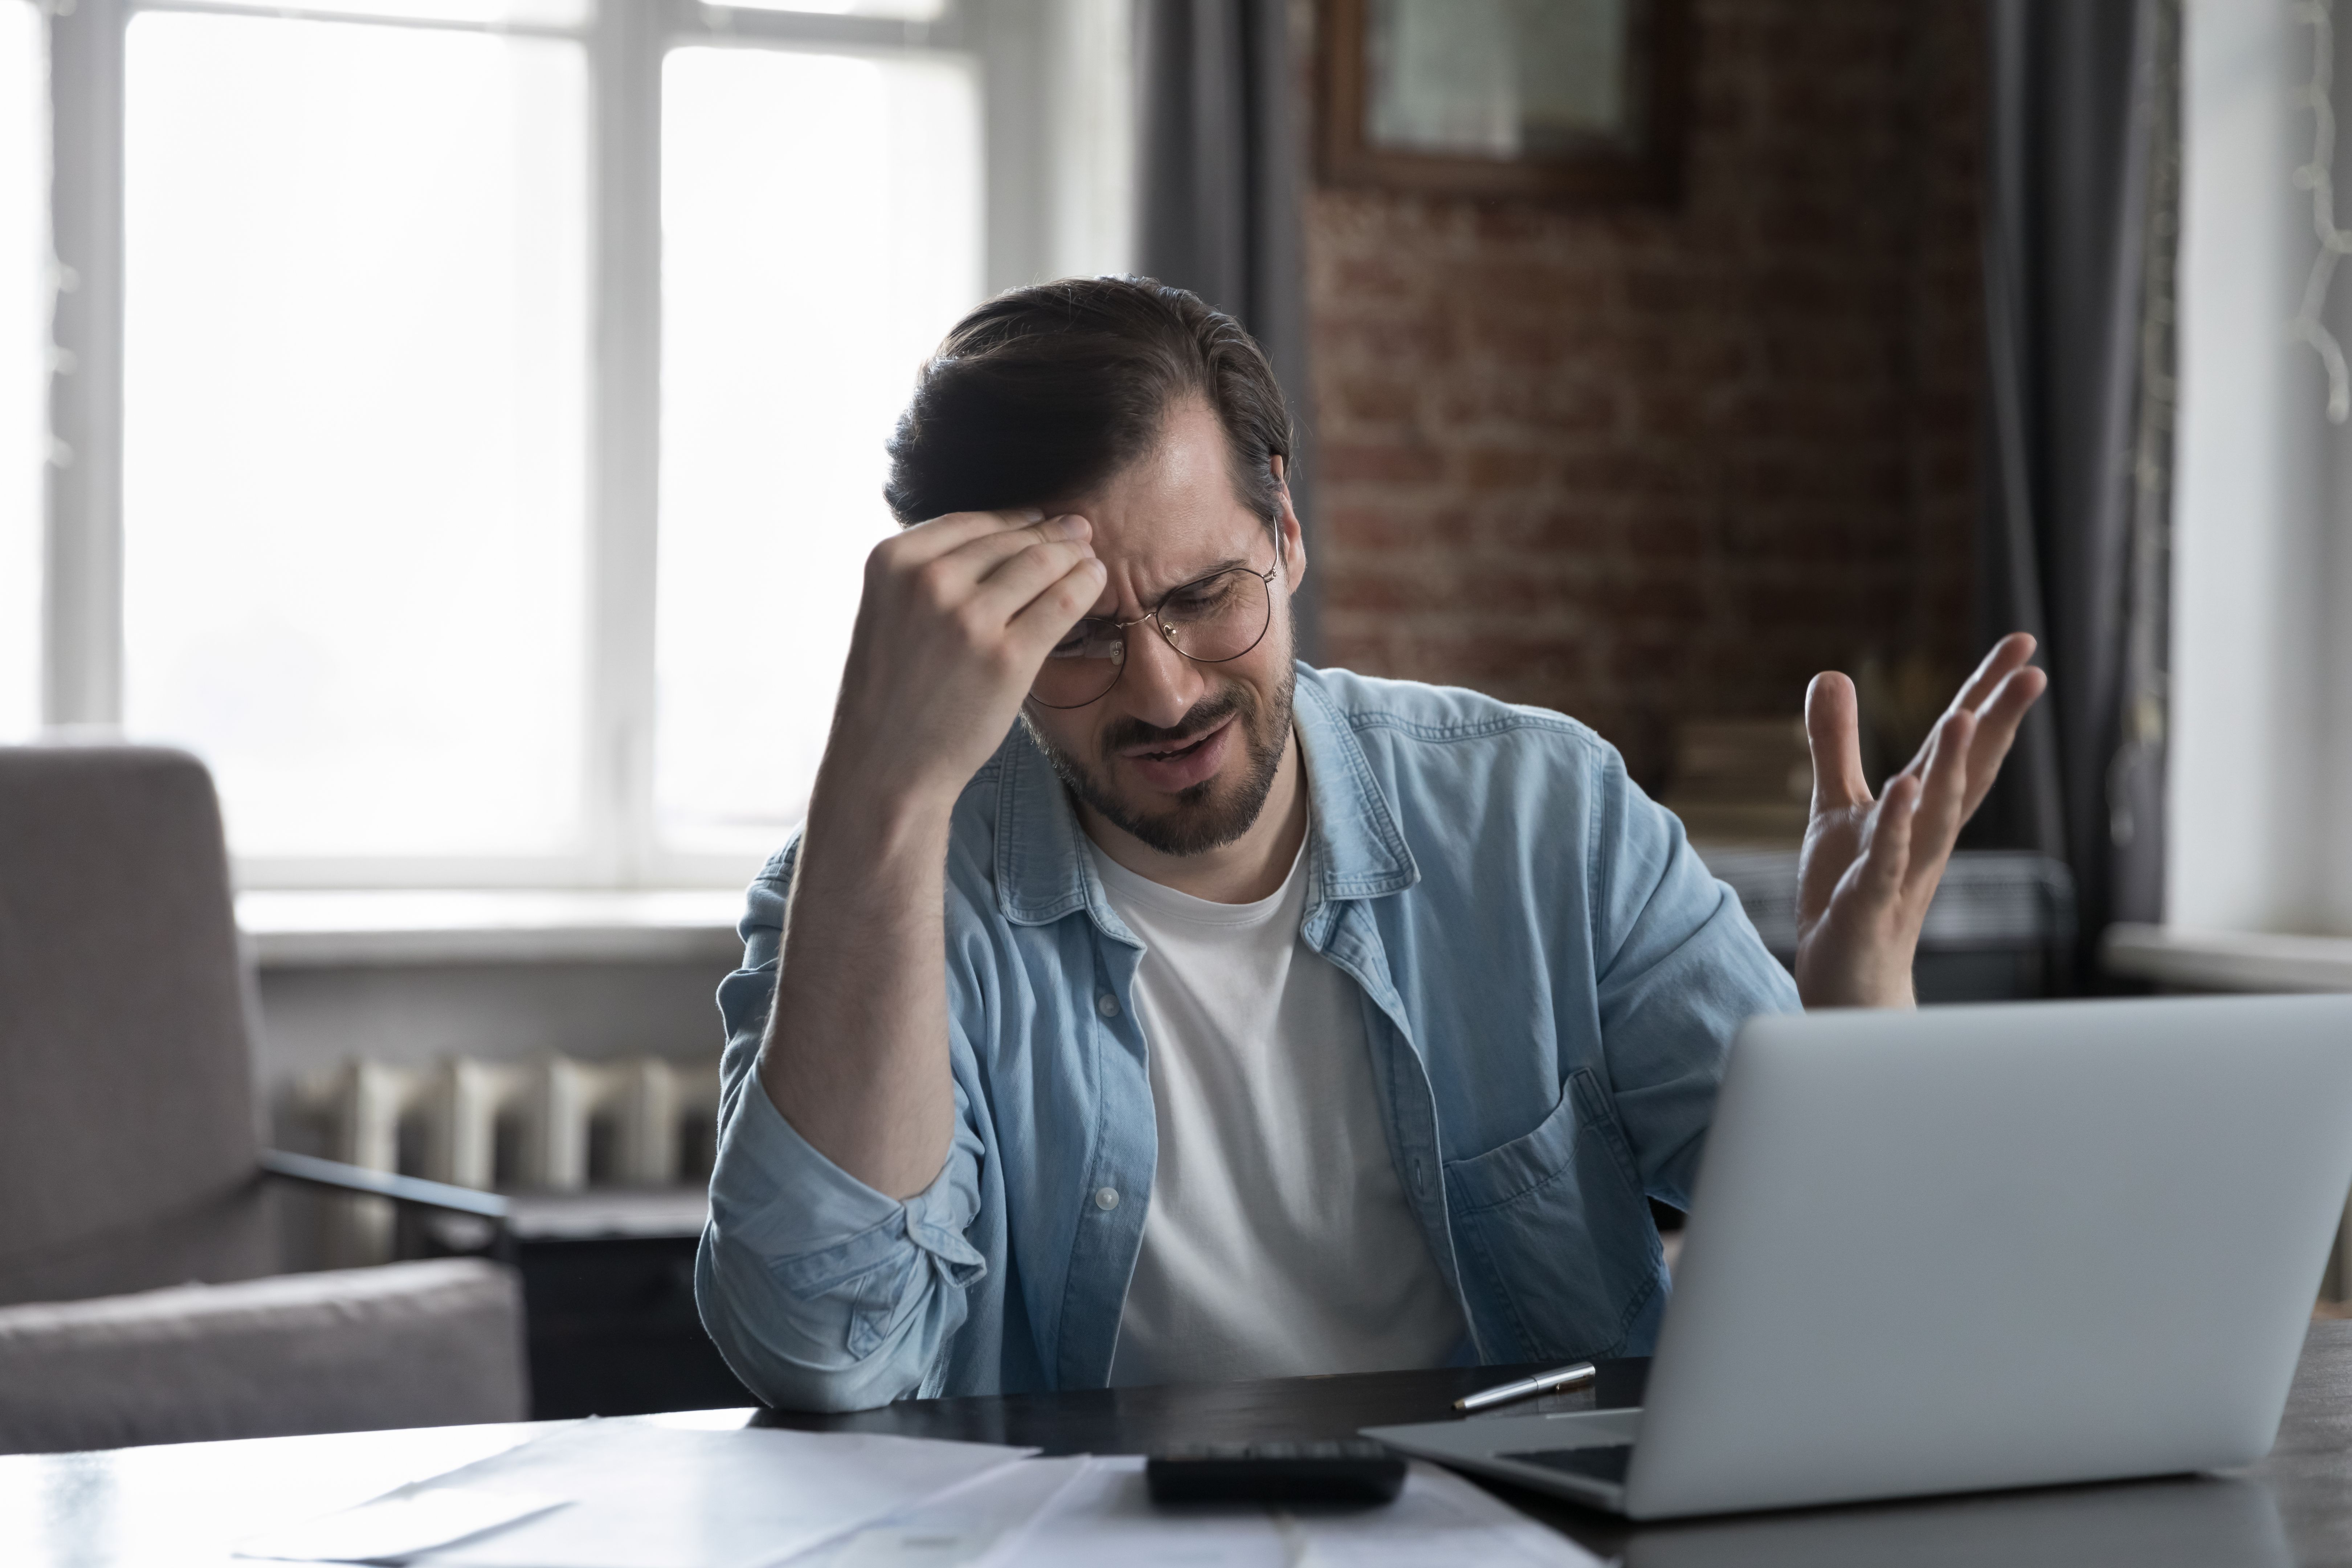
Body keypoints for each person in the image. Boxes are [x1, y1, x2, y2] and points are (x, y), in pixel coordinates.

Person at [695, 277, 2046, 1413]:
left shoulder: (1546, 818)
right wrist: (880, 795)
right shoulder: (878, 887)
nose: (1164, 692)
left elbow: (1853, 1283)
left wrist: (1861, 1008)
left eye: (1203, 598)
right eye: (1081, 637)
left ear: (1284, 534)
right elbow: (827, 1350)